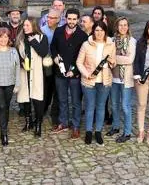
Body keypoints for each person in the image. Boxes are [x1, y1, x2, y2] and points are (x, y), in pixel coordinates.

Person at [77, 21, 116, 146]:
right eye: (97, 30)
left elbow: (113, 63)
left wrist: (112, 61)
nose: (99, 33)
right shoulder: (86, 45)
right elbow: (79, 62)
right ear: (93, 31)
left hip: (105, 81)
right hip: (89, 81)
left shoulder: (111, 44)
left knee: (100, 107)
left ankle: (98, 132)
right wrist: (86, 74)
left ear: (105, 32)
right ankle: (88, 131)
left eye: (102, 30)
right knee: (89, 106)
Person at [51, 8, 88, 138]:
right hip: (60, 72)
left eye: (74, 19)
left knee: (76, 101)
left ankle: (76, 126)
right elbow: (53, 47)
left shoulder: (83, 36)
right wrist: (55, 57)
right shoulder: (59, 31)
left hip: (74, 74)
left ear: (77, 20)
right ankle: (63, 122)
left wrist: (76, 71)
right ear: (65, 19)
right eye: (69, 18)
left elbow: (85, 57)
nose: (71, 21)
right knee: (62, 99)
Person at [16, 18, 49, 137]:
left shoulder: (42, 37)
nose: (25, 27)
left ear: (33, 26)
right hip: (24, 72)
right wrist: (21, 63)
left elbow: (43, 52)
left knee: (37, 98)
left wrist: (33, 42)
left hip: (37, 72)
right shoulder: (20, 39)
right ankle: (28, 121)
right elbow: (17, 56)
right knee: (25, 98)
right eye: (24, 25)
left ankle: (38, 124)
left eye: (27, 25)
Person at [109, 17, 137, 143]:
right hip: (113, 77)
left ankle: (127, 132)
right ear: (117, 26)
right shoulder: (112, 40)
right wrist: (117, 58)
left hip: (126, 79)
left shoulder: (132, 41)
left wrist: (114, 59)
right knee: (114, 105)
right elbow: (108, 57)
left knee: (125, 106)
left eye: (125, 25)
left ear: (128, 27)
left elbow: (130, 60)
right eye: (120, 25)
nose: (123, 27)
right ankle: (115, 126)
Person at [41, 8, 61, 126]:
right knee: (46, 89)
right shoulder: (42, 30)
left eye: (51, 18)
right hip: (46, 64)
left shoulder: (61, 30)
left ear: (58, 19)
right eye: (48, 17)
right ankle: (42, 109)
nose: (48, 19)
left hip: (59, 65)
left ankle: (55, 114)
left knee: (58, 91)